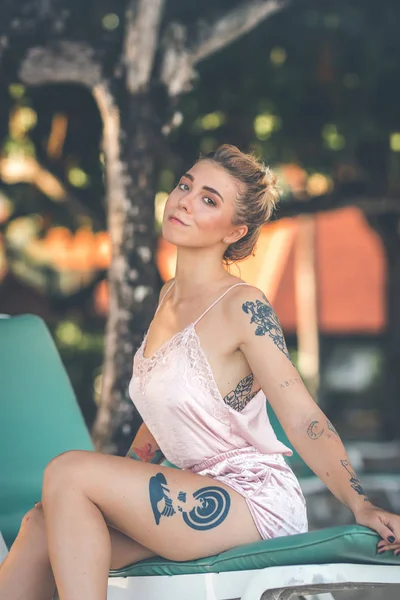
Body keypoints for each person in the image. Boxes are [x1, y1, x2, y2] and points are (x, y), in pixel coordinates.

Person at [0, 144, 399, 600]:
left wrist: (361, 503)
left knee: (68, 471)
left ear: (235, 230)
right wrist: (115, 485)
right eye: (185, 186)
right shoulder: (168, 298)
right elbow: (161, 420)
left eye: (210, 199)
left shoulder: (242, 305)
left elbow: (301, 415)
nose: (186, 200)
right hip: (190, 494)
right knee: (40, 522)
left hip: (250, 500)